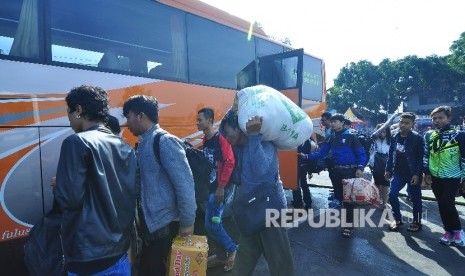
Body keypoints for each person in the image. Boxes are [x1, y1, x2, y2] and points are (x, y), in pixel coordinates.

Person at [54, 85, 137, 275]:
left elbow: (69, 199)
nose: (68, 119)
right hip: (119, 253)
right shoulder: (124, 147)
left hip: (88, 255)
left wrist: (59, 184)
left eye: (68, 111)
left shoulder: (76, 142)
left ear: (79, 110)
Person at [123, 95, 196, 276]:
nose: (127, 123)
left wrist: (187, 223)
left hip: (166, 225)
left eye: (128, 116)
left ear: (141, 116)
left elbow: (184, 184)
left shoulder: (164, 141)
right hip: (151, 224)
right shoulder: (143, 143)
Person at [220, 110, 295, 276]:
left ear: (239, 129)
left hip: (269, 213)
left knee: (281, 265)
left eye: (228, 131)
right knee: (242, 263)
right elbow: (239, 179)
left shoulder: (265, 144)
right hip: (250, 212)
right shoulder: (238, 148)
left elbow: (262, 172)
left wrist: (254, 137)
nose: (226, 136)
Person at [300, 113, 366, 238]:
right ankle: (346, 220)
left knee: (348, 200)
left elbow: (361, 153)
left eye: (336, 121)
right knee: (340, 197)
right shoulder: (331, 137)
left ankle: (349, 226)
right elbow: (322, 153)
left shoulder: (351, 136)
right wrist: (307, 156)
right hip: (336, 171)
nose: (333, 123)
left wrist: (360, 167)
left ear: (342, 123)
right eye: (332, 121)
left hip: (350, 172)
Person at [196, 107, 237, 272]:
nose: (197, 122)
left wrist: (221, 187)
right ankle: (221, 256)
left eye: (200, 120)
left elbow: (230, 162)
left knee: (212, 224)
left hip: (219, 190)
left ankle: (232, 249)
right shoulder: (206, 140)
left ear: (210, 121)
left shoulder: (220, 139)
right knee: (212, 223)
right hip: (211, 188)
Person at [424, 106, 465, 246]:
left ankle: (458, 231)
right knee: (441, 204)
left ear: (449, 118)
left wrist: (464, 179)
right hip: (435, 177)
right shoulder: (429, 135)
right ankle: (448, 231)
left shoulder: (459, 135)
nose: (437, 121)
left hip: (453, 176)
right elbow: (426, 155)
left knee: (447, 202)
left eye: (440, 118)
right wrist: (427, 173)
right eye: (434, 118)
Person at [385, 112, 424, 232]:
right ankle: (397, 219)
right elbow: (391, 154)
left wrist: (417, 175)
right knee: (392, 194)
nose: (403, 125)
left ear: (412, 124)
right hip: (398, 173)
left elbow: (420, 158)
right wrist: (387, 169)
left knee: (415, 198)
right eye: (401, 122)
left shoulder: (417, 138)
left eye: (407, 123)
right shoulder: (395, 135)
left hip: (412, 173)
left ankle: (416, 222)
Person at [369, 120, 394, 208]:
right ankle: (378, 200)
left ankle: (385, 202)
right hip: (375, 163)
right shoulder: (374, 139)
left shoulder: (391, 140)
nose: (382, 133)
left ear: (387, 132)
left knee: (386, 183)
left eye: (384, 131)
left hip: (387, 163)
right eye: (380, 131)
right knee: (377, 183)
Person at [292, 136, 318, 209]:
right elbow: (313, 147)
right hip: (304, 163)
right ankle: (307, 202)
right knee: (303, 183)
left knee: (296, 183)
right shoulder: (308, 136)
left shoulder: (297, 136)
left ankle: (298, 202)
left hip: (298, 162)